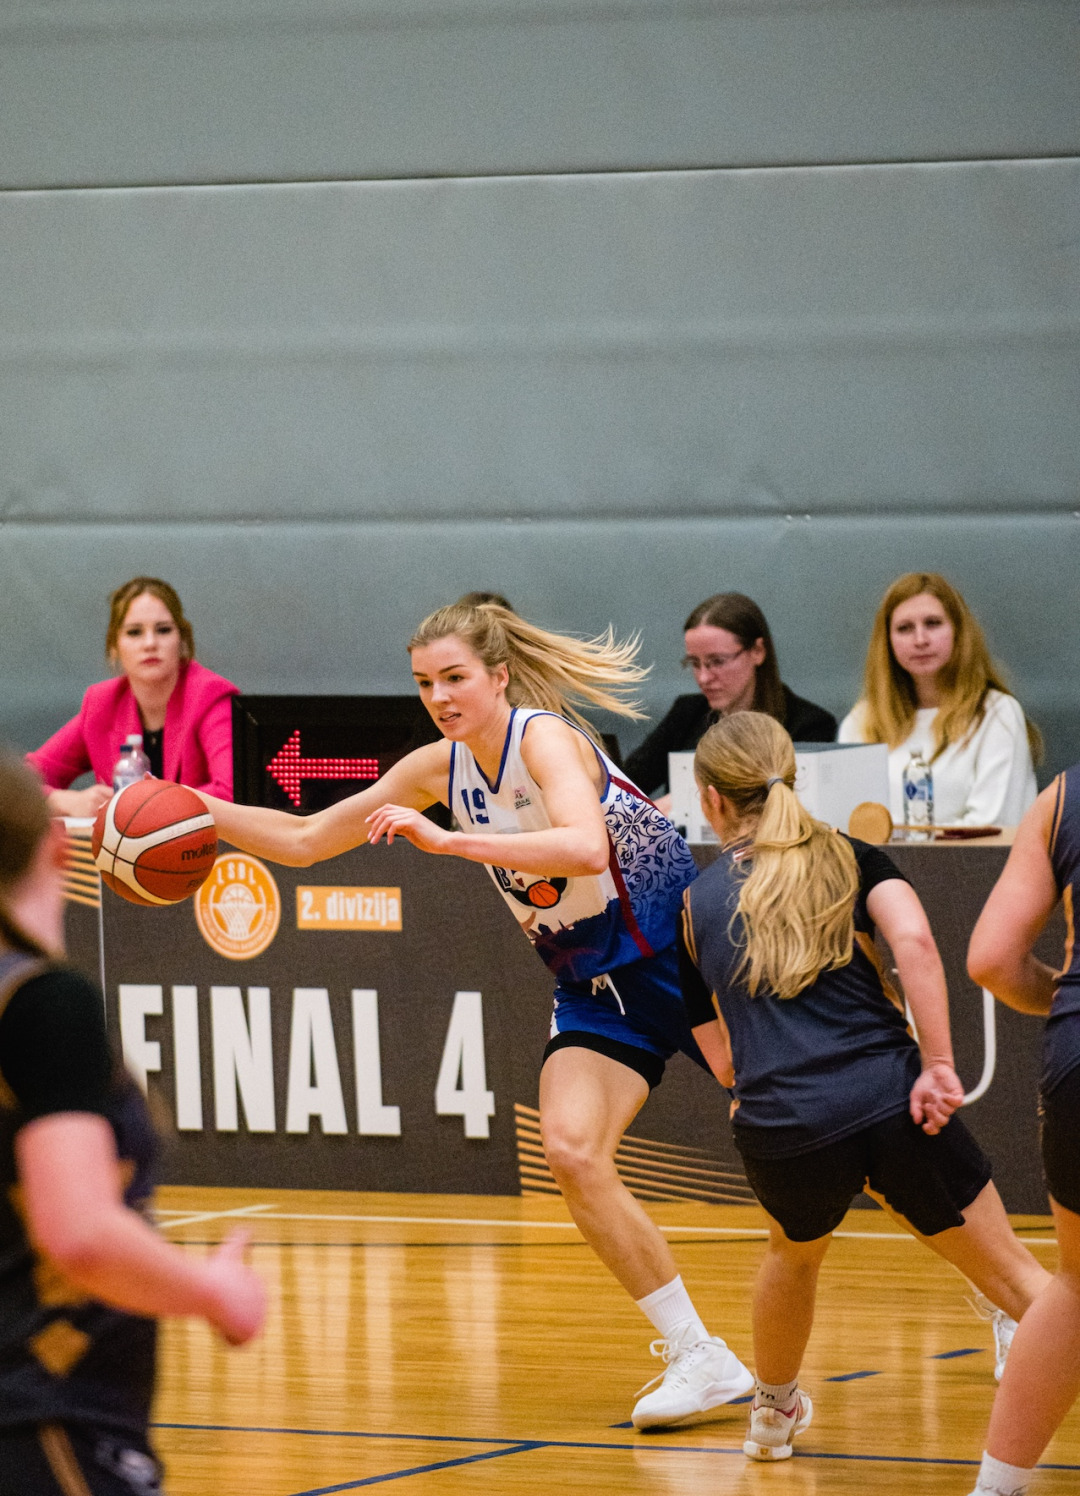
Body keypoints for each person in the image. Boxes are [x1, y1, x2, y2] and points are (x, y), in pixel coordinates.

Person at [195, 599, 754, 1428]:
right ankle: (699, 1354)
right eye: (425, 683)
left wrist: (450, 842)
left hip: (686, 958)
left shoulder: (545, 739)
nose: (440, 697)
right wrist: (197, 811)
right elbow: (307, 840)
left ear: (498, 676)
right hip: (596, 988)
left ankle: (973, 1261)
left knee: (816, 1132)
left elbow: (585, 846)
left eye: (455, 677)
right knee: (570, 1150)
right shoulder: (437, 769)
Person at [677, 711, 1050, 1461]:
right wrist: (938, 1063)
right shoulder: (853, 857)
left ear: (710, 799)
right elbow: (913, 942)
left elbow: (717, 1053)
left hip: (781, 1127)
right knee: (1020, 1278)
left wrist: (758, 1083)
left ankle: (772, 1414)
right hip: (890, 1100)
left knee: (792, 1255)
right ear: (793, 775)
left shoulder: (693, 902)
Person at [0, 749, 264, 1492]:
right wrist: (214, 1291)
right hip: (42, 1409)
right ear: (59, 848)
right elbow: (80, 1232)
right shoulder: (44, 1004)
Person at [963, 764, 1080, 1496]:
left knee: (1076, 1284)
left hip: (1078, 1053)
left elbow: (991, 960)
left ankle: (996, 1488)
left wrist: (1064, 998)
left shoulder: (1062, 796)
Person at [838, 572, 1039, 828]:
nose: (920, 640)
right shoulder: (862, 721)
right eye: (904, 628)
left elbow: (992, 827)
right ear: (887, 640)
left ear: (958, 632)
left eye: (933, 623)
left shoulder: (996, 714)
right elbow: (845, 825)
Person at [28, 578, 238, 816]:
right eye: (134, 632)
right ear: (115, 645)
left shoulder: (210, 697)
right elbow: (23, 780)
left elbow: (231, 793)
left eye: (163, 630)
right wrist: (60, 799)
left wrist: (142, 807)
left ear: (181, 639)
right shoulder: (103, 704)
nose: (150, 643)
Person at [623, 592, 836, 800]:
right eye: (694, 663)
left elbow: (781, 806)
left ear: (758, 651)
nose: (704, 677)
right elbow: (624, 787)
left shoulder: (809, 724)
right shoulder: (686, 713)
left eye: (717, 661)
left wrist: (681, 802)